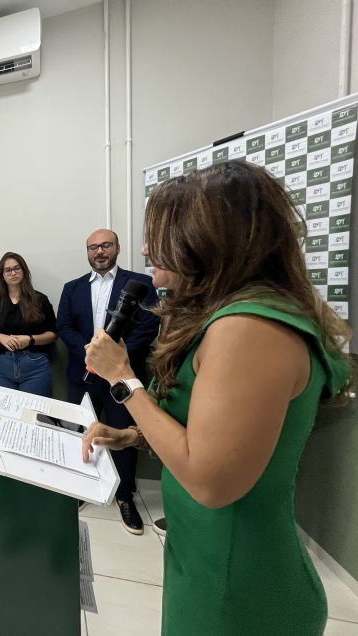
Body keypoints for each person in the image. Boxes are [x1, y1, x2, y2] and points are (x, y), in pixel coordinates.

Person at [81, 160, 352, 636]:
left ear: (205, 240)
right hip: (203, 559)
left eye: (160, 235)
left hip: (240, 583)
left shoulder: (249, 328)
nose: (145, 249)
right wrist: (134, 435)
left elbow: (212, 482)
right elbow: (206, 433)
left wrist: (122, 379)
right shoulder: (225, 318)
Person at [57, 229, 159, 533]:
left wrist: (114, 357)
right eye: (93, 247)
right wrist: (91, 353)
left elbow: (149, 325)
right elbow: (64, 326)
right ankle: (82, 486)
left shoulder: (140, 284)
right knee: (81, 432)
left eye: (105, 245)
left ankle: (125, 495)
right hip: (83, 375)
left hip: (122, 378)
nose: (99, 251)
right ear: (87, 252)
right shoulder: (72, 288)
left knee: (123, 434)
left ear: (117, 248)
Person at [0, 252, 57, 397]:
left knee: (33, 409)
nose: (13, 273)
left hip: (35, 367)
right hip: (0, 367)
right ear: (2, 275)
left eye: (17, 268)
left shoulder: (40, 299)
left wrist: (30, 339)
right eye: (8, 270)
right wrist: (2, 338)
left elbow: (52, 334)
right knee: (1, 408)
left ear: (24, 270)